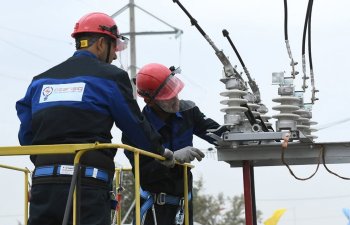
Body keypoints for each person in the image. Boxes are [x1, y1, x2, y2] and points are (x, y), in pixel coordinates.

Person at [16, 12, 174, 225]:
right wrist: (161, 152)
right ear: (101, 43)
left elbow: (26, 135)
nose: (115, 56)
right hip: (87, 186)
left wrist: (49, 159)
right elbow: (134, 127)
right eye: (114, 48)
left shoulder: (40, 81)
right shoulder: (110, 77)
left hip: (44, 185)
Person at [122, 63, 226, 225]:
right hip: (154, 208)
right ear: (149, 100)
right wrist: (172, 159)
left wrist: (242, 132)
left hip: (183, 205)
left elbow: (217, 133)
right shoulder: (137, 130)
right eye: (167, 96)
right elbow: (145, 175)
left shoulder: (188, 112)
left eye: (175, 92)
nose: (175, 99)